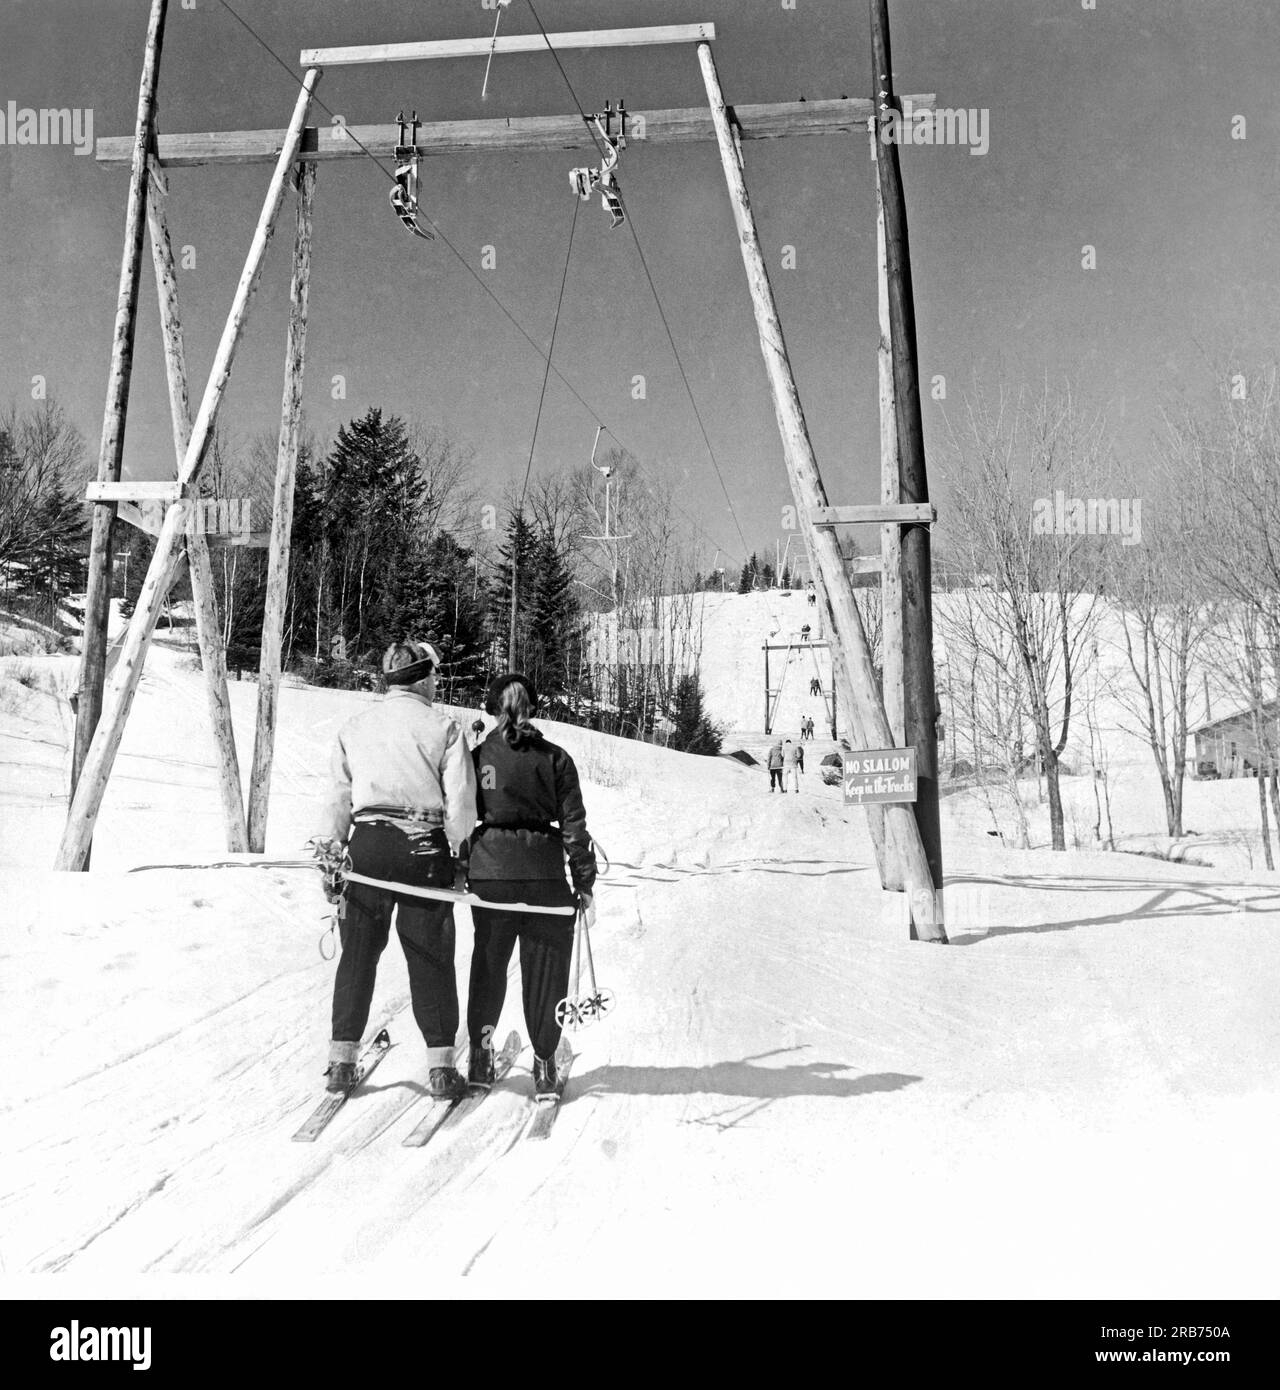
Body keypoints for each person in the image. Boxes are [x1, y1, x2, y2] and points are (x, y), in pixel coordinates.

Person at [317, 639, 476, 1098]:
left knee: (358, 956)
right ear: (425, 677)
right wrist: (460, 853)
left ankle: (342, 1060)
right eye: (434, 678)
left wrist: (331, 855)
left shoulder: (355, 727)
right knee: (431, 958)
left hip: (365, 848)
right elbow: (461, 805)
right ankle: (442, 1068)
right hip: (423, 849)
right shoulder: (443, 727)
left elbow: (337, 797)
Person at [464, 673, 597, 1100]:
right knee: (544, 968)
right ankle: (543, 1063)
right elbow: (574, 826)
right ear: (533, 707)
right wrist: (584, 879)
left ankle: (480, 1056)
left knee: (488, 965)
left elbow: (463, 819)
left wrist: (461, 865)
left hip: (490, 875)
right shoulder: (556, 759)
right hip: (543, 876)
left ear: (492, 707)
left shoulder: (478, 756)